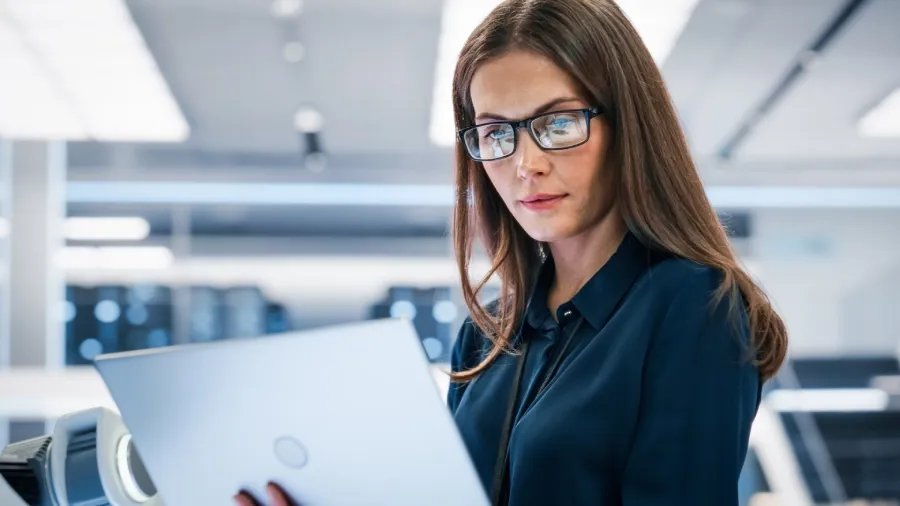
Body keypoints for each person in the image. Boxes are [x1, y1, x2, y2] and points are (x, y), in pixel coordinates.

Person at [236, 0, 788, 505]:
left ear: (628, 126)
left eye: (559, 123)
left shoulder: (691, 306)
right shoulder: (487, 334)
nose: (526, 164)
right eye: (496, 133)